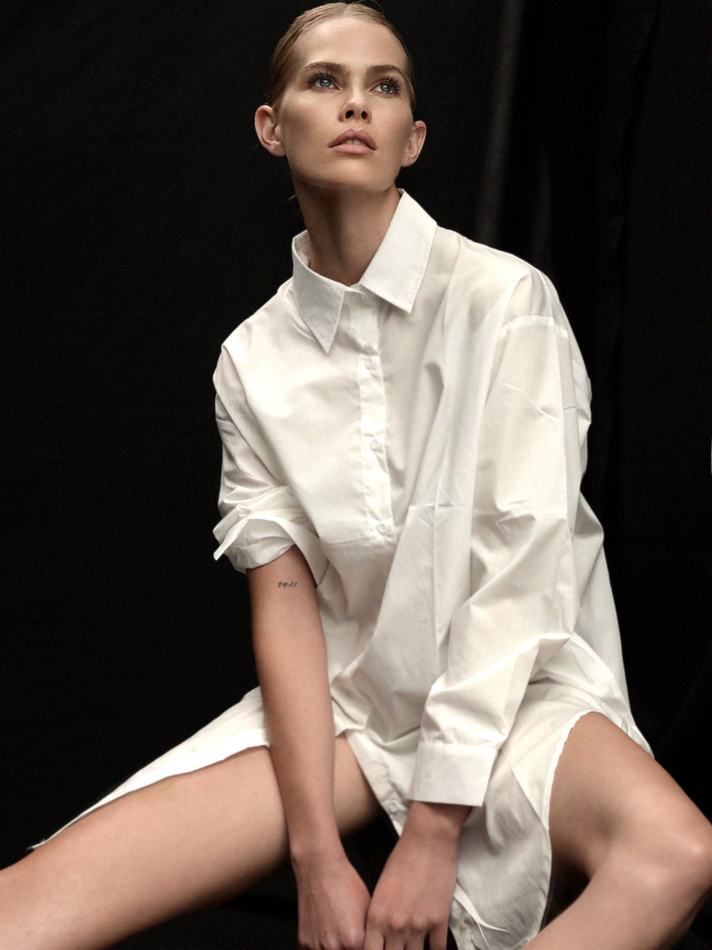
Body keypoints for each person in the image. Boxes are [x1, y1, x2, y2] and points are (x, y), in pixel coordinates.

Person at [2, 4, 712, 949]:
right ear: (272, 126)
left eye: (384, 85)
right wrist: (315, 857)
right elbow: (286, 600)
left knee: (676, 854)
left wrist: (433, 828)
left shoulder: (506, 301)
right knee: (25, 904)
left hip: (519, 695)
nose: (356, 104)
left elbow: (521, 575)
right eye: (324, 81)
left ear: (412, 139)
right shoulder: (251, 359)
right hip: (353, 704)